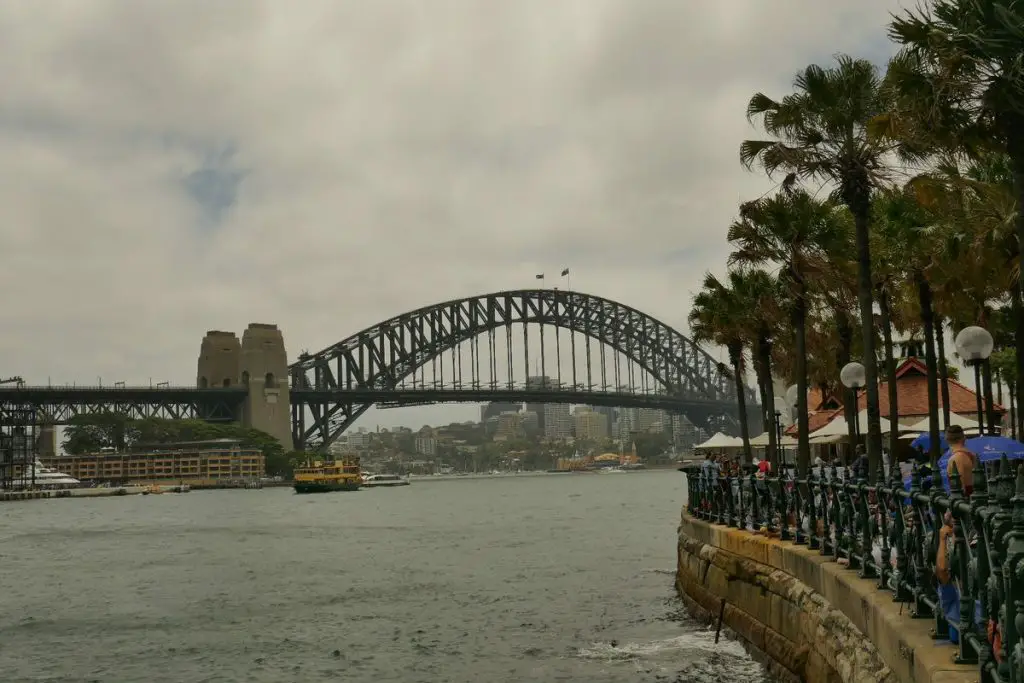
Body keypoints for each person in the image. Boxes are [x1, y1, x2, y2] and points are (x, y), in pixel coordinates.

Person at [946, 425, 978, 496]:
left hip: (963, 501)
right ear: (964, 438)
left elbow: (960, 487)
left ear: (948, 440)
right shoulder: (971, 455)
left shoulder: (957, 457)